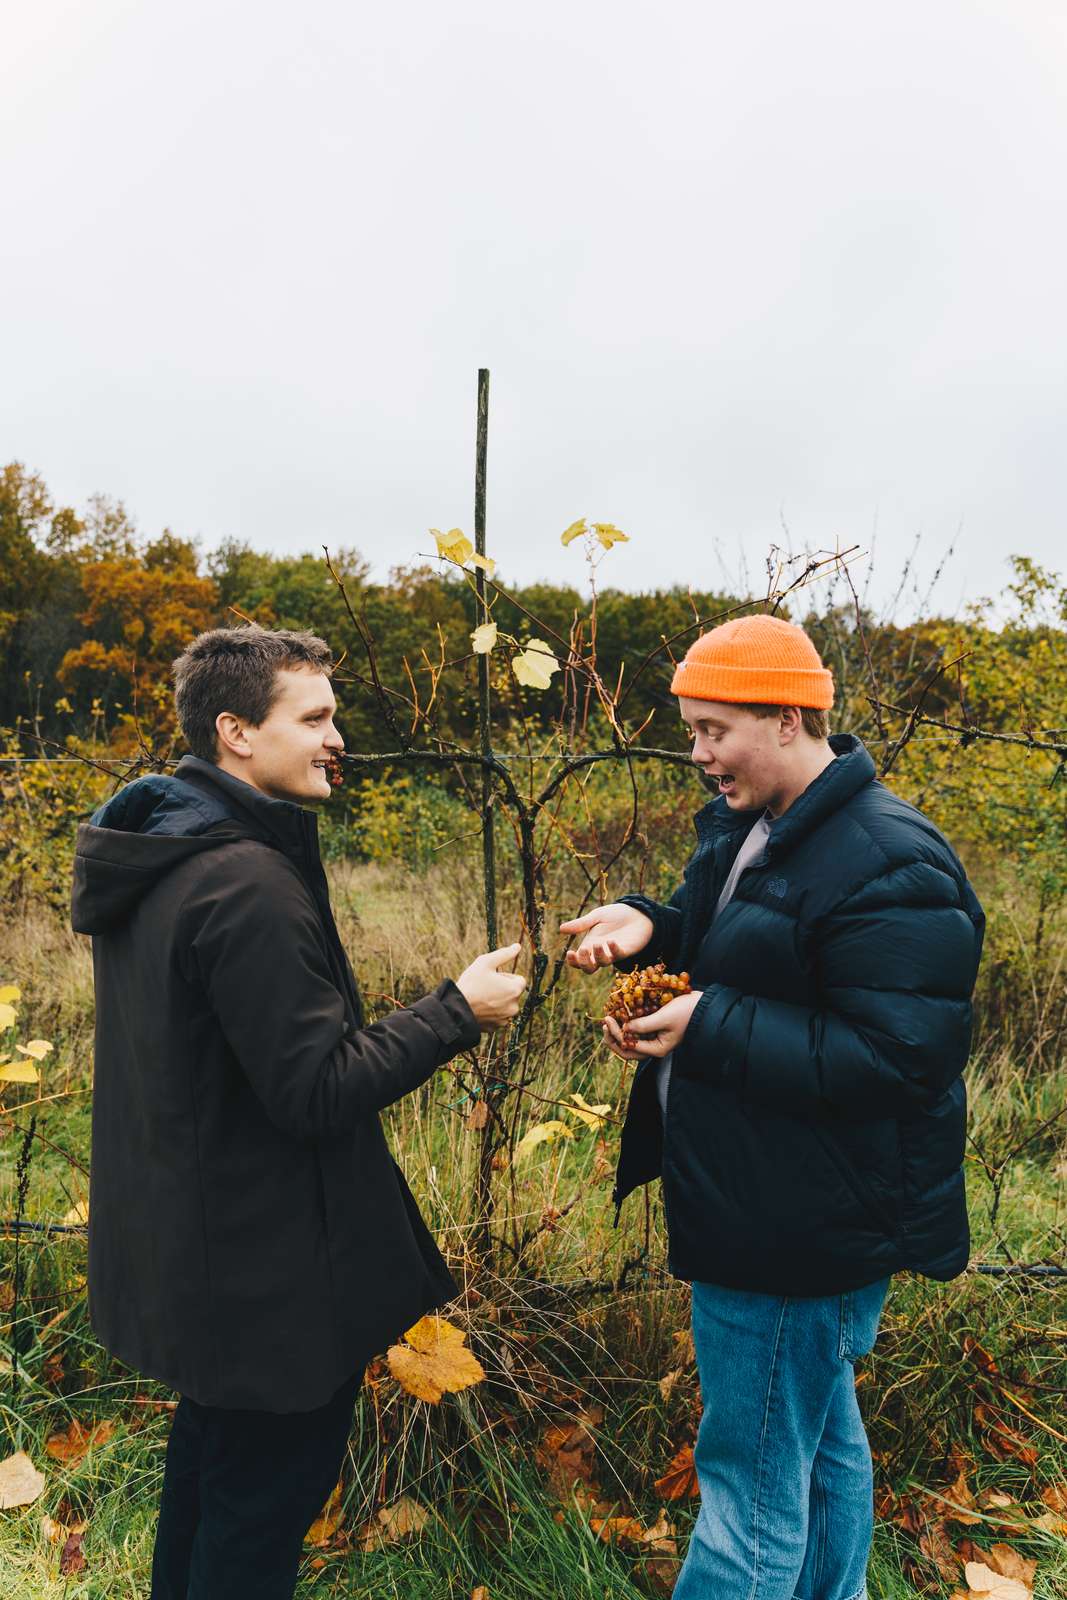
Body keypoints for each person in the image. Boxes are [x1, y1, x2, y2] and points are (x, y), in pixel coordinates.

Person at [71, 624, 525, 1600]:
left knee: (210, 1481)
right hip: (265, 1284)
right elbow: (315, 1088)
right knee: (255, 1524)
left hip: (206, 1254)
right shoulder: (241, 882)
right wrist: (458, 1010)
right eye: (313, 718)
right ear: (236, 731)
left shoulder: (167, 852)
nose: (337, 737)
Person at [560, 614, 984, 1600]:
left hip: (797, 1225)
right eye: (691, 731)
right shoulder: (758, 826)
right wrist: (652, 925)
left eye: (713, 730)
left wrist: (705, 1024)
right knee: (817, 1444)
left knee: (747, 1482)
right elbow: (747, 949)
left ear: (788, 717)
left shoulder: (887, 860)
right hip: (761, 1201)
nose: (697, 753)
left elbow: (898, 1056)